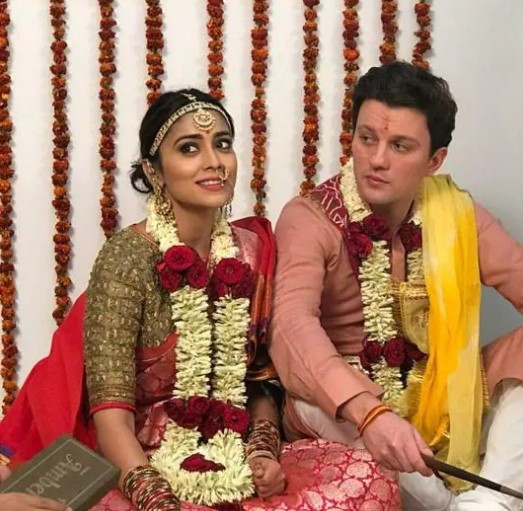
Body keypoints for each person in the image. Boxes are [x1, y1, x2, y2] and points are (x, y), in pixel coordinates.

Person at [0, 89, 400, 511]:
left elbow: (259, 384)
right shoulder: (126, 260)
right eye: (189, 148)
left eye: (222, 144)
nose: (214, 161)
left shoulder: (251, 251)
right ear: (155, 171)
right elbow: (110, 417)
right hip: (137, 463)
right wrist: (158, 501)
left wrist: (262, 451)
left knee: (371, 476)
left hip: (230, 452)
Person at [270, 61, 523, 511]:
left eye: (399, 145)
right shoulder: (310, 217)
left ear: (434, 161)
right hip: (349, 403)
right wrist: (370, 412)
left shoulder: (456, 213)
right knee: (315, 400)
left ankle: (486, 503)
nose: (377, 159)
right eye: (366, 138)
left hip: (441, 395)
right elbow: (291, 325)